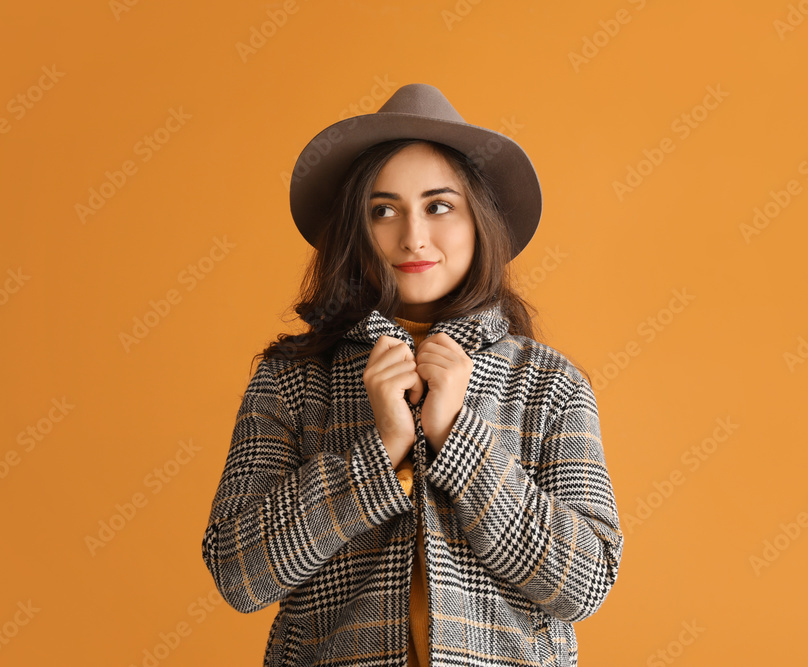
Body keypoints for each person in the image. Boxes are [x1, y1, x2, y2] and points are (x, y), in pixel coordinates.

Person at [201, 83, 623, 667]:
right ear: (356, 229)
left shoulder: (547, 383)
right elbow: (238, 573)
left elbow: (586, 582)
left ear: (480, 221)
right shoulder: (293, 380)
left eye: (439, 206)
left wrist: (460, 439)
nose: (413, 237)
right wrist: (380, 452)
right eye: (384, 210)